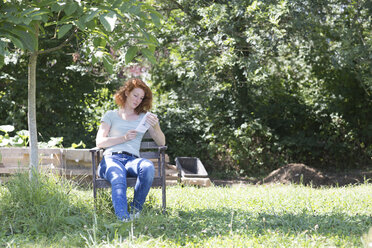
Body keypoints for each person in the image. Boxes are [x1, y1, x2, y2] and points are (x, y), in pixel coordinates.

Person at [96, 78, 166, 221]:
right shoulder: (110, 115)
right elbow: (99, 142)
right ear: (127, 92)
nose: (138, 100)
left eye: (141, 98)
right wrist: (124, 138)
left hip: (132, 160)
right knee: (117, 176)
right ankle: (123, 219)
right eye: (135, 95)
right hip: (111, 159)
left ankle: (135, 211)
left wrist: (156, 126)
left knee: (147, 167)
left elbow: (162, 142)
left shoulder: (144, 118)